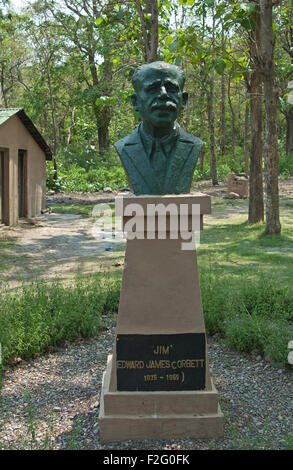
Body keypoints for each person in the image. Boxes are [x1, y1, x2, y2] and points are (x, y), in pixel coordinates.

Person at [114, 61, 203, 195]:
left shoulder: (194, 145)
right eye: (152, 89)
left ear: (183, 100)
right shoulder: (124, 147)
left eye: (171, 88)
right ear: (136, 101)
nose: (163, 94)